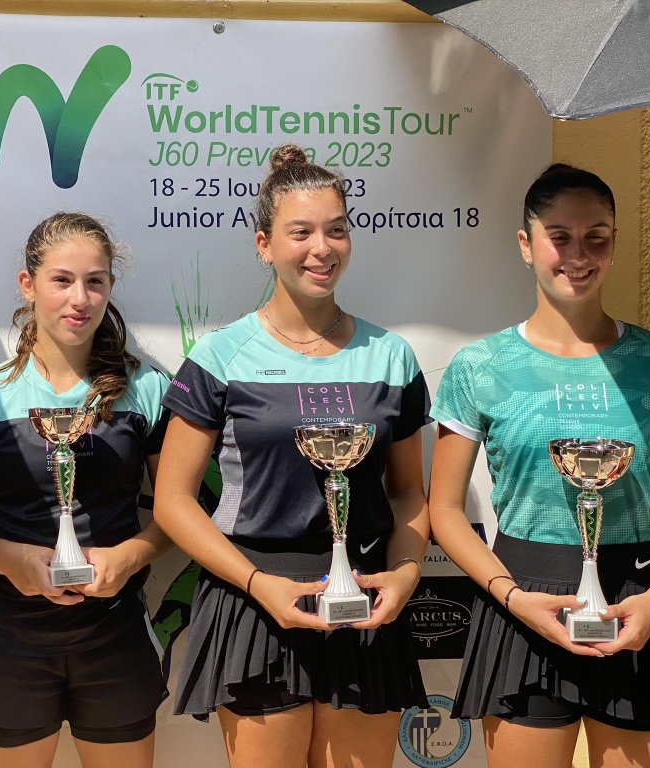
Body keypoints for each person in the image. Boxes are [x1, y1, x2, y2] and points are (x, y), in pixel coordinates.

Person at [428, 163, 650, 768]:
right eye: (559, 236)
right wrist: (511, 596)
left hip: (640, 603)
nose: (578, 255)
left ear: (615, 241)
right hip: (521, 603)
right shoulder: (481, 366)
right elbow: (445, 511)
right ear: (525, 243)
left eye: (596, 237)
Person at [154, 145, 430, 768]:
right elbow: (172, 501)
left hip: (364, 602)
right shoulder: (220, 356)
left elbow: (409, 493)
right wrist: (257, 583)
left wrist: (405, 574)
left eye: (337, 230)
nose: (321, 249)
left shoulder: (392, 356)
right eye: (300, 232)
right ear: (264, 245)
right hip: (254, 598)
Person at [0, 212, 171, 768]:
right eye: (62, 280)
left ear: (110, 286)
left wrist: (129, 557)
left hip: (115, 634)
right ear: (28, 284)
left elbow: (177, 512)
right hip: (12, 639)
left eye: (95, 281)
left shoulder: (148, 389)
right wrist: (11, 560)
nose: (80, 298)